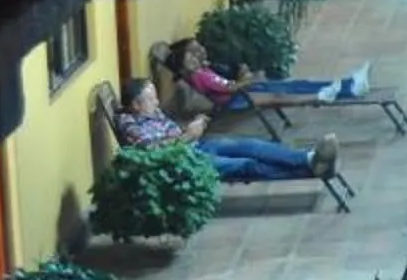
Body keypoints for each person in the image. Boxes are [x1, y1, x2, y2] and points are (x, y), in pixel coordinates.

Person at [115, 80, 335, 184]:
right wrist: (187, 136)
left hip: (193, 145)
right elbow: (151, 151)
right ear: (135, 105)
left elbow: (169, 135)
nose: (157, 101)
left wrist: (193, 126)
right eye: (151, 98)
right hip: (182, 160)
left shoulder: (152, 113)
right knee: (246, 164)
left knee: (249, 146)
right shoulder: (129, 123)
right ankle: (313, 169)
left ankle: (308, 158)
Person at [175, 41, 369, 108]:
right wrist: (249, 78)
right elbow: (231, 88)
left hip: (243, 91)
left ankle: (349, 84)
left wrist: (245, 76)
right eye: (191, 54)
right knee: (285, 93)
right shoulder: (201, 76)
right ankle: (343, 89)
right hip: (240, 98)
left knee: (294, 85)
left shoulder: (204, 70)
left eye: (196, 51)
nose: (198, 53)